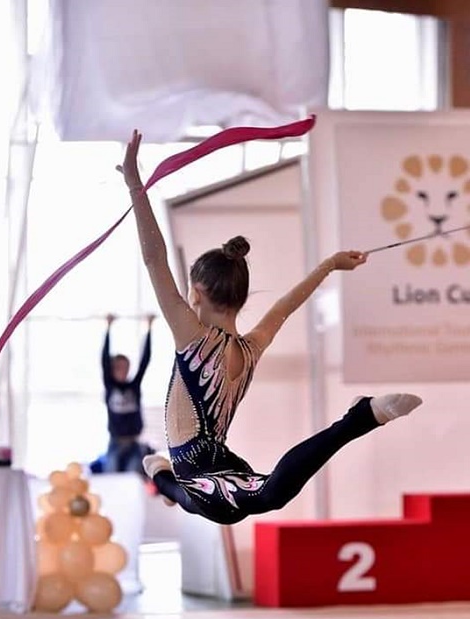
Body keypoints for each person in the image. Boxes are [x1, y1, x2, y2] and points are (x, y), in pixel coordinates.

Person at [117, 130, 422, 524]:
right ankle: (361, 418)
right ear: (241, 296)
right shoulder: (240, 344)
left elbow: (154, 260)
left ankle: (160, 473)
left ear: (195, 293)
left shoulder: (198, 338)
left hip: (210, 470)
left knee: (227, 498)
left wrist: (135, 186)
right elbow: (285, 306)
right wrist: (328, 265)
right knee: (244, 498)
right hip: (206, 473)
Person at [91, 313, 155, 476]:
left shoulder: (134, 386)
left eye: (126, 367)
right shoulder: (110, 385)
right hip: (115, 441)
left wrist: (149, 329)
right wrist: (108, 328)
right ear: (113, 369)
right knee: (111, 475)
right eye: (119, 368)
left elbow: (145, 361)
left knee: (133, 476)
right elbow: (104, 360)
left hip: (134, 442)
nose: (123, 371)